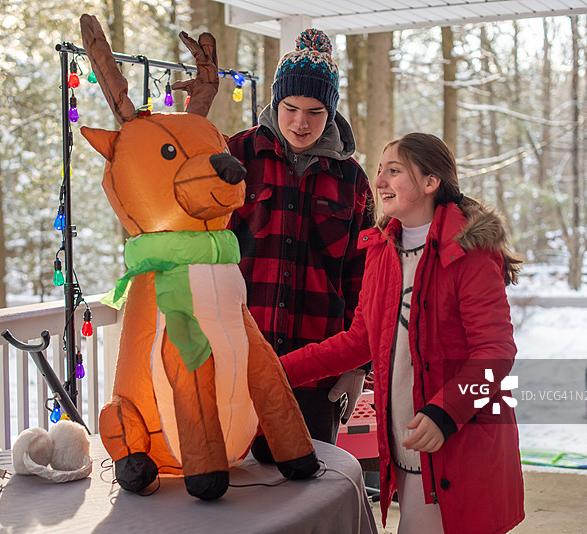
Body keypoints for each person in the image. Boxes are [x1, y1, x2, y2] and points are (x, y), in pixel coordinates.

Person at [279, 133, 525, 534]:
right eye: (379, 171)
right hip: (408, 447)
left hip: (460, 451)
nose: (379, 182)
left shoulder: (470, 250)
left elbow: (496, 353)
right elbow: (360, 339)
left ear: (431, 182)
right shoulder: (382, 247)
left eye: (394, 171)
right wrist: (276, 372)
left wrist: (447, 411)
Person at [224, 28, 375, 453]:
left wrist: (357, 365)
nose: (300, 122)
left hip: (316, 374)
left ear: (332, 110)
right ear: (274, 102)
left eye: (314, 110)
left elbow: (361, 280)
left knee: (309, 494)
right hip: (238, 362)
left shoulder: (354, 181)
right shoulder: (235, 158)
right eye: (290, 108)